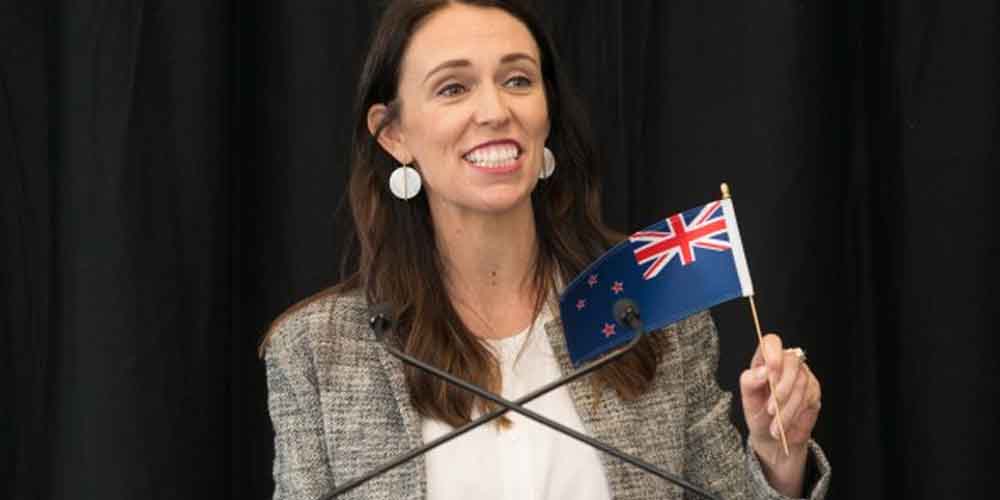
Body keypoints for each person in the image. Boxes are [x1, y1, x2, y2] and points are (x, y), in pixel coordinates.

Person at [261, 1, 831, 498]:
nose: (495, 111)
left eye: (517, 80)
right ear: (394, 134)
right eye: (453, 88)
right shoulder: (315, 351)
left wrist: (777, 460)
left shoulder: (652, 304)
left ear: (546, 113)